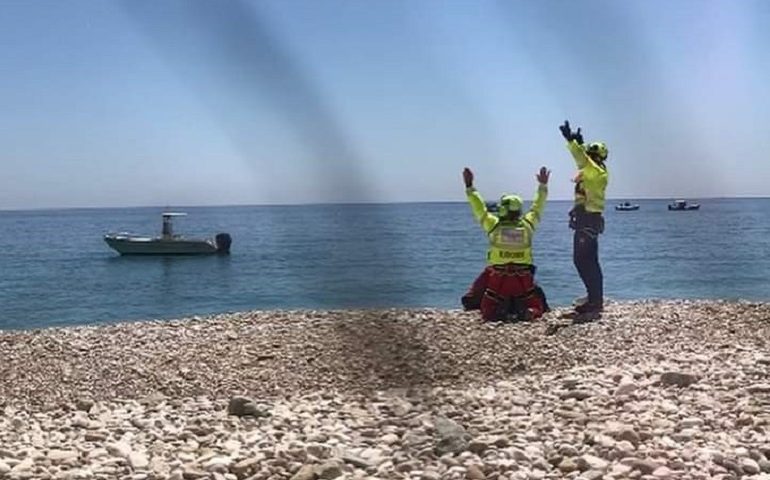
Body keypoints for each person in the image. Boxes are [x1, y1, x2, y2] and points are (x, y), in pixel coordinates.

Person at [460, 166, 550, 322]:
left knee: (482, 306)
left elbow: (479, 209)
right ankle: (528, 311)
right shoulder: (528, 225)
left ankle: (500, 313)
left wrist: (470, 187)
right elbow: (538, 207)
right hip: (524, 280)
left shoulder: (494, 225)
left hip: (497, 278)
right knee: (535, 302)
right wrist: (542, 186)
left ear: (503, 210)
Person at [559, 120, 609, 321]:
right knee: (590, 261)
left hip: (587, 219)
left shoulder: (594, 171)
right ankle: (594, 298)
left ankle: (595, 301)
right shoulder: (596, 171)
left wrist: (571, 141)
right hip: (589, 219)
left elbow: (582, 160)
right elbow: (584, 161)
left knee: (583, 260)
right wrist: (579, 143)